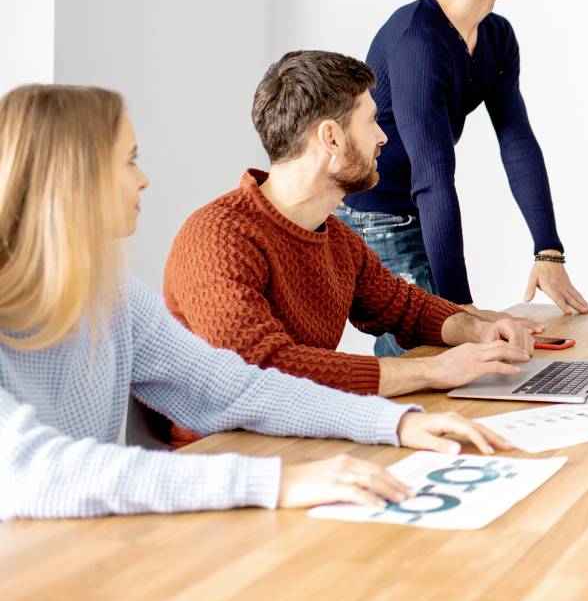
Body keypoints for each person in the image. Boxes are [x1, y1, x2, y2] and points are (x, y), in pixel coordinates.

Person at [0, 84, 510, 520]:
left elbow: (235, 387)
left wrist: (397, 423)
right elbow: (31, 470)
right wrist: (276, 482)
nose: (144, 178)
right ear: (71, 177)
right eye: (128, 160)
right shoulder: (216, 234)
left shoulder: (111, 295)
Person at [163, 52, 535, 447]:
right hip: (225, 455)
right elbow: (264, 368)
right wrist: (432, 371)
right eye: (371, 120)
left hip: (304, 437)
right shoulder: (218, 237)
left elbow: (405, 308)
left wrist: (478, 330)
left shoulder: (336, 239)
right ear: (331, 137)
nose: (383, 137)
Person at [338, 0, 588, 357]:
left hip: (419, 200)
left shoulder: (496, 36)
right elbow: (433, 180)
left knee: (455, 346)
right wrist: (460, 309)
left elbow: (517, 142)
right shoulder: (417, 40)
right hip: (377, 212)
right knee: (431, 352)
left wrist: (548, 251)